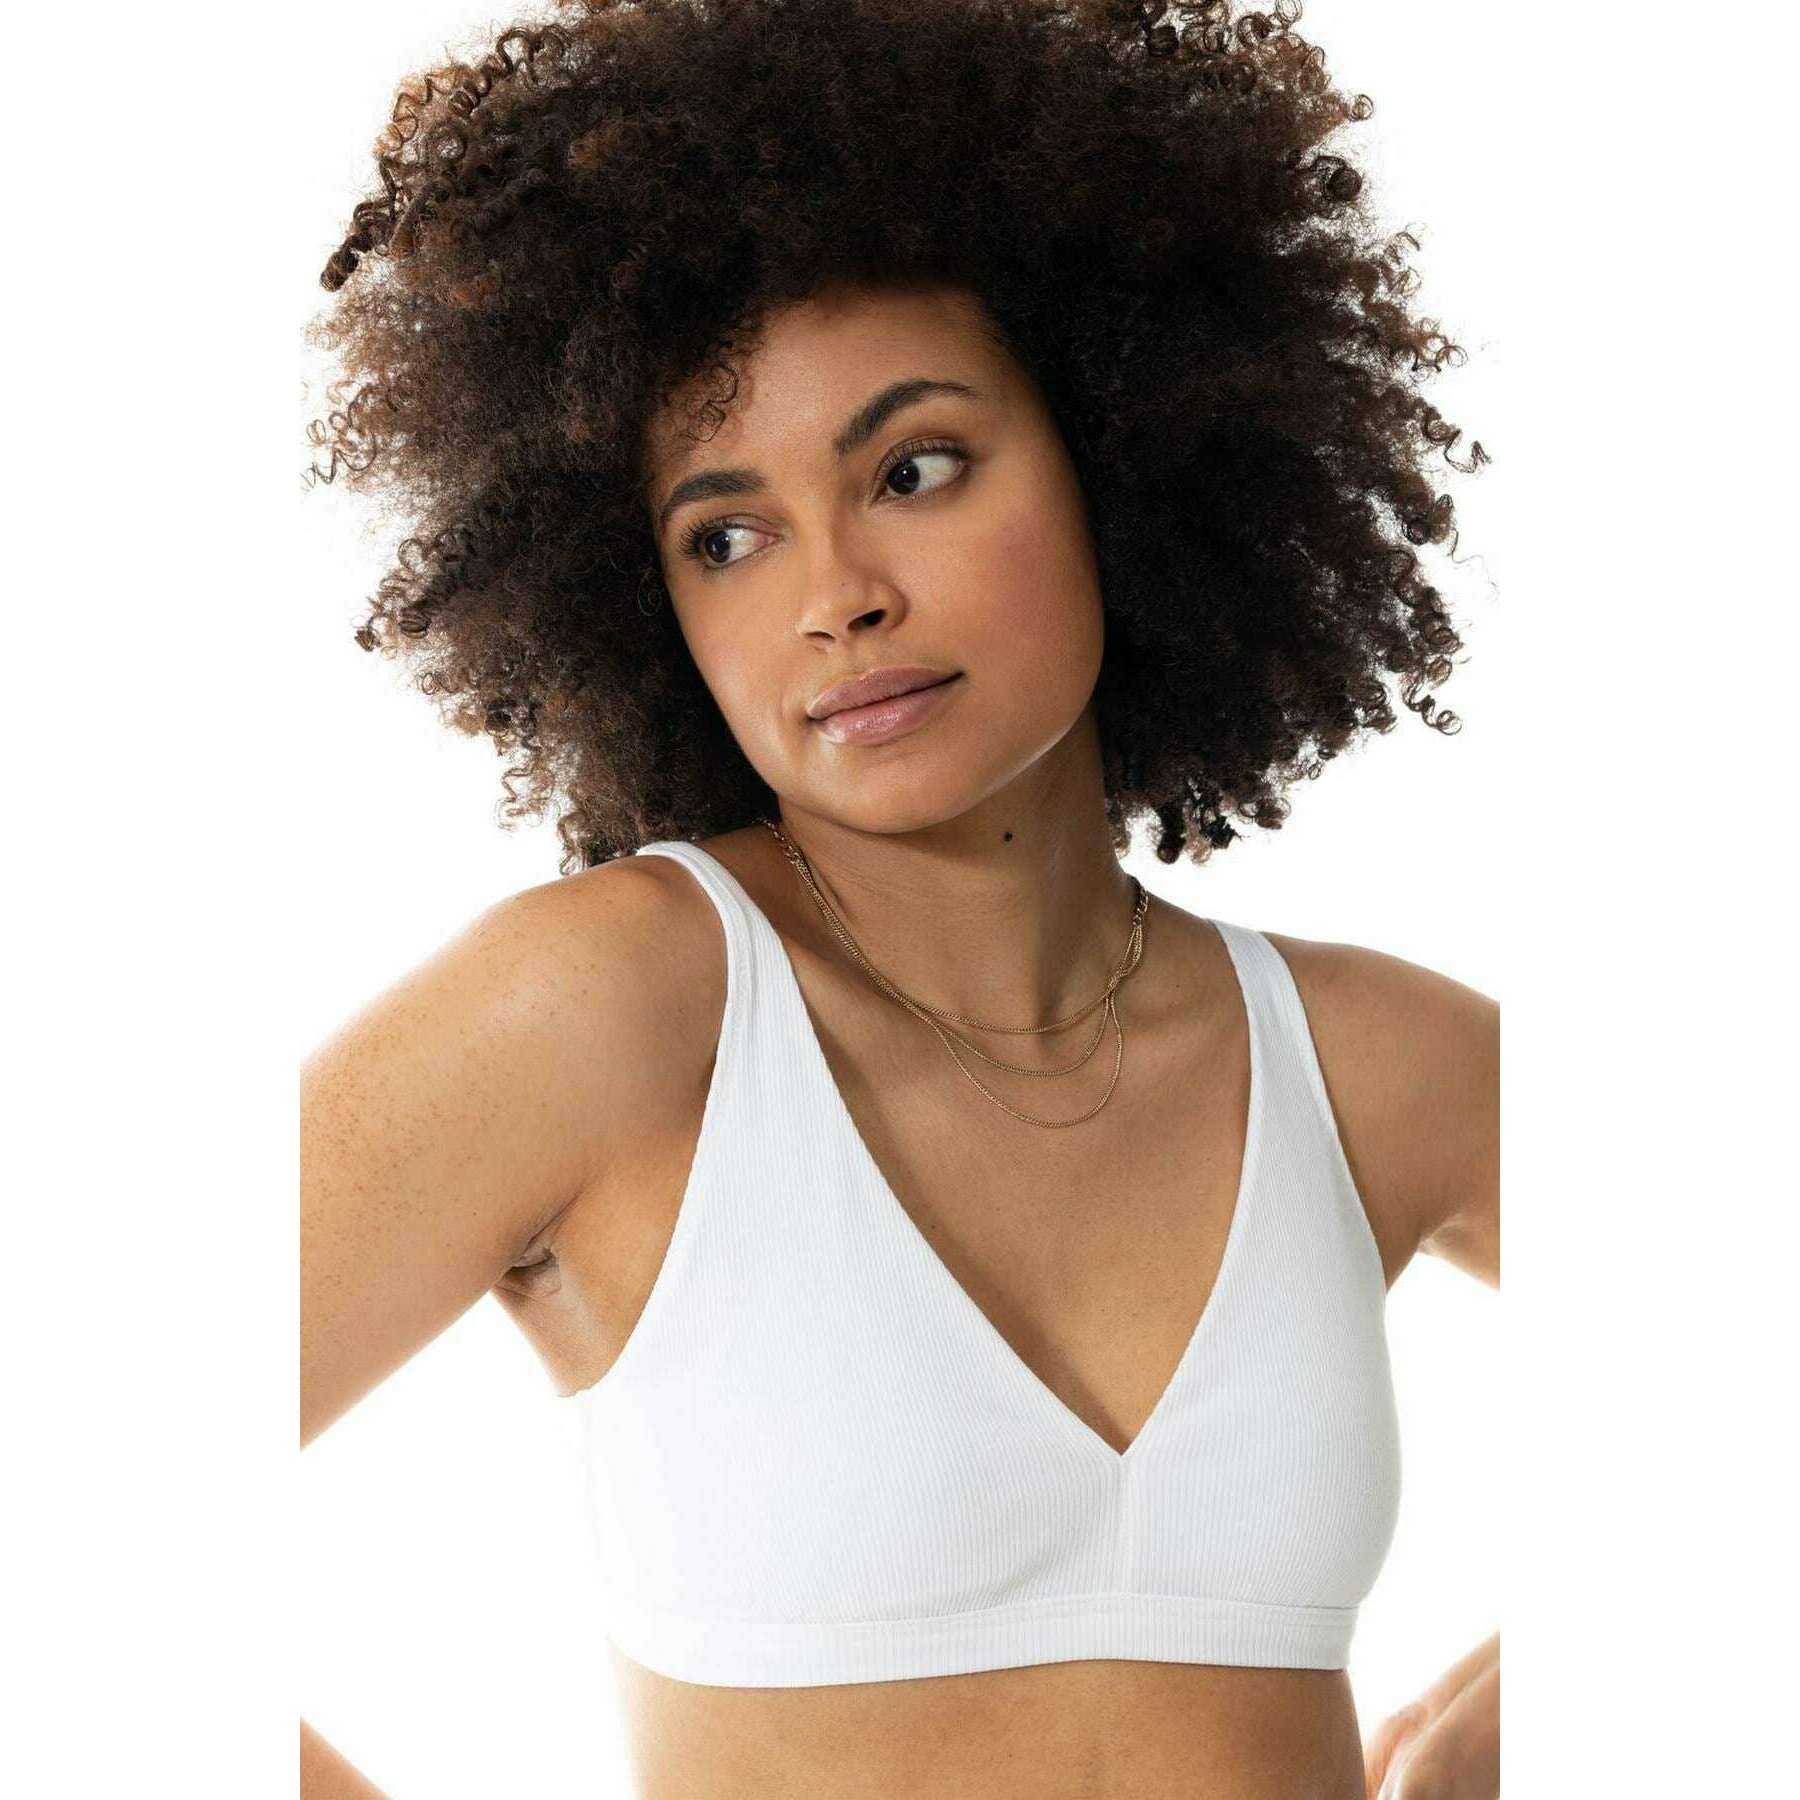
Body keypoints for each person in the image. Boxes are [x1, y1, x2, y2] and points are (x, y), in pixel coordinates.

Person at [300, 1, 1500, 1795]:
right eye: (727, 534)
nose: (835, 595)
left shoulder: (1367, 1062)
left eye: (914, 469)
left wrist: (1509, 1720)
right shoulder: (619, 1011)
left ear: (1122, 450)